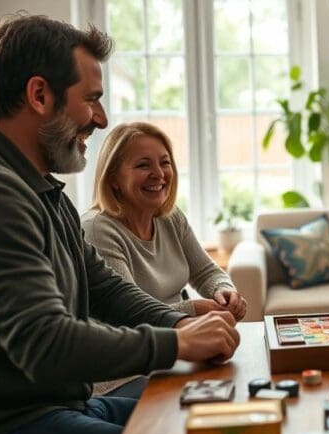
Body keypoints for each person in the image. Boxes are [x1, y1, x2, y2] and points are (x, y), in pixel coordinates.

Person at [0, 14, 240, 434]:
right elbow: (45, 342)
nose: (99, 118)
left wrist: (179, 325)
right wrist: (174, 344)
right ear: (39, 95)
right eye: (91, 99)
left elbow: (102, 287)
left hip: (61, 410)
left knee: (211, 410)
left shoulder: (40, 190)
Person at [82, 122, 247, 396]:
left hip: (176, 353)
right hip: (123, 376)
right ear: (113, 178)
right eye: (143, 165)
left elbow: (206, 272)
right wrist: (193, 311)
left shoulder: (170, 217)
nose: (158, 174)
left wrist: (223, 292)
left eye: (165, 162)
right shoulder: (98, 229)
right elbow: (125, 316)